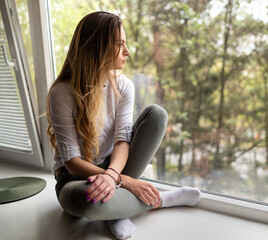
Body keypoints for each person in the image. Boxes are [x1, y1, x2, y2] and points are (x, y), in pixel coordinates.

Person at [46, 11, 201, 240]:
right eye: (120, 45)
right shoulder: (61, 93)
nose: (127, 52)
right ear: (97, 48)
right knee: (83, 204)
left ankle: (118, 208)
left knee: (156, 115)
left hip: (115, 166)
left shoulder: (123, 86)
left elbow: (121, 141)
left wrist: (112, 175)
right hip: (75, 178)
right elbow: (72, 162)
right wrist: (122, 180)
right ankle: (162, 199)